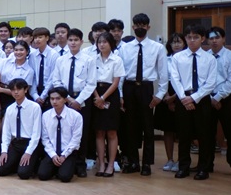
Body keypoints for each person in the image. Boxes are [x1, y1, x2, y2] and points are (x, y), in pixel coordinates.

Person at [118, 13, 169, 176]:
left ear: (148, 27)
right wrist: (120, 94)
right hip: (129, 87)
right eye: (137, 25)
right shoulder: (125, 48)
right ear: (133, 27)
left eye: (143, 25)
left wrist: (160, 95)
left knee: (148, 127)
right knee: (130, 127)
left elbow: (164, 73)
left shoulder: (157, 48)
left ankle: (146, 163)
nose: (140, 28)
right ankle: (133, 161)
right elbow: (120, 73)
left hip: (146, 88)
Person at [168, 25, 218, 180]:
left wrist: (194, 98)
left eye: (195, 37)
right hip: (183, 99)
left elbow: (211, 83)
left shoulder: (210, 59)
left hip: (202, 99)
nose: (192, 40)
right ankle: (183, 167)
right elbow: (175, 79)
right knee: (184, 135)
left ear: (202, 39)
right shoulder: (178, 57)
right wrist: (184, 98)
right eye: (189, 37)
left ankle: (203, 168)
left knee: (204, 135)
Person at [49, 28, 96, 177]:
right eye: (70, 40)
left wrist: (78, 100)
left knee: (82, 133)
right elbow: (56, 81)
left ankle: (80, 164)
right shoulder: (60, 60)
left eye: (76, 40)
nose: (73, 43)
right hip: (64, 98)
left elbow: (91, 83)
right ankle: (64, 161)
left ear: (81, 42)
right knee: (64, 131)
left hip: (82, 100)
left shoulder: (88, 60)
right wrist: (68, 99)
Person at [207, 27, 231, 178]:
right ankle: (206, 164)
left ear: (223, 39)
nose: (214, 41)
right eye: (211, 38)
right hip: (208, 98)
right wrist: (211, 98)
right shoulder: (205, 56)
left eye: (217, 38)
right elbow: (202, 80)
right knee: (207, 133)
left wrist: (218, 97)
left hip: (228, 99)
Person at [92, 32, 124, 178]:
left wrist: (103, 98)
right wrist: (97, 97)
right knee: (99, 132)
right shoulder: (93, 59)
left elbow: (116, 83)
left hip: (111, 94)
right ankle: (101, 163)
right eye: (99, 42)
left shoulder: (117, 60)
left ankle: (111, 164)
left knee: (111, 131)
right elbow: (90, 80)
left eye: (105, 42)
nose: (102, 44)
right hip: (95, 93)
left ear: (111, 43)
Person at [0, 78, 42, 180]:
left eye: (19, 89)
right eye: (13, 90)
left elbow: (36, 133)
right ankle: (16, 162)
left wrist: (28, 152)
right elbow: (6, 132)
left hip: (29, 143)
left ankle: (32, 163)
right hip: (16, 143)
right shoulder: (10, 109)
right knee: (0, 170)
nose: (16, 92)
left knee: (23, 174)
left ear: (25, 90)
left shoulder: (35, 107)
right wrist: (4, 151)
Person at [37, 87, 83, 183]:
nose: (54, 102)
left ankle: (69, 166)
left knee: (65, 177)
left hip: (68, 152)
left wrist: (64, 155)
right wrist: (53, 155)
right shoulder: (45, 115)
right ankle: (55, 167)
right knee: (42, 175)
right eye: (52, 99)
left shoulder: (76, 116)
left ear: (65, 99)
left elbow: (76, 139)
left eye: (58, 98)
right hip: (52, 151)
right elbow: (45, 139)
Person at [156, 33, 185, 172]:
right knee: (167, 129)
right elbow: (162, 79)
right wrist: (167, 98)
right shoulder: (166, 59)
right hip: (166, 94)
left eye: (179, 42)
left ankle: (181, 160)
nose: (176, 45)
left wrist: (174, 98)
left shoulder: (187, 59)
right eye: (174, 42)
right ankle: (169, 160)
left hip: (182, 95)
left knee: (182, 130)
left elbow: (185, 82)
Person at [0, 41, 35, 113]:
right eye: (16, 50)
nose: (18, 52)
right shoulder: (4, 62)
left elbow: (23, 90)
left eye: (21, 50)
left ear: (27, 51)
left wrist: (1, 90)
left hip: (15, 98)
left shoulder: (29, 70)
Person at [28, 27, 58, 108]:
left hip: (50, 92)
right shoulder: (32, 55)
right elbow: (32, 76)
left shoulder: (54, 55)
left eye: (40, 37)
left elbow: (53, 77)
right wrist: (35, 95)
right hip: (35, 92)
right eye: (35, 38)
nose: (37, 40)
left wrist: (43, 96)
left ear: (47, 38)